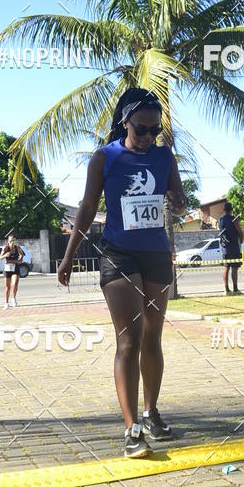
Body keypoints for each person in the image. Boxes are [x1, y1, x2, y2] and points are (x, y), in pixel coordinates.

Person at [57, 88, 187, 459]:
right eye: (140, 129)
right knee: (129, 339)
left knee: (153, 339)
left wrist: (178, 204)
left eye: (154, 131)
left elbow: (178, 203)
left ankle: (151, 413)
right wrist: (68, 257)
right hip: (118, 254)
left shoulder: (165, 158)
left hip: (157, 255)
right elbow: (86, 208)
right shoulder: (105, 157)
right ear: (124, 123)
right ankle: (132, 429)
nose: (147, 137)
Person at [218, 201, 244, 295]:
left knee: (226, 267)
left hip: (225, 247)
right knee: (234, 268)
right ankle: (235, 289)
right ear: (231, 210)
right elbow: (240, 232)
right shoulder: (234, 219)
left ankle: (226, 290)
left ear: (224, 210)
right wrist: (241, 240)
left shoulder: (220, 220)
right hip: (234, 247)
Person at [0, 233, 24, 309]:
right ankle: (6, 303)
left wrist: (20, 259)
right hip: (7, 269)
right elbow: (0, 258)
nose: (12, 242)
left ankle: (13, 299)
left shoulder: (18, 248)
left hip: (15, 268)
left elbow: (21, 256)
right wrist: (5, 255)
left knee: (15, 284)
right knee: (7, 287)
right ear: (8, 241)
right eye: (10, 241)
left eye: (13, 241)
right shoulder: (5, 248)